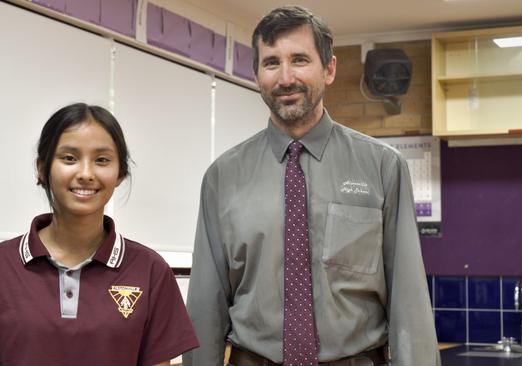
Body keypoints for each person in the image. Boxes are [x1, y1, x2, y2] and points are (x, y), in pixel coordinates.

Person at [183, 6, 439, 366]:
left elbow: (408, 299)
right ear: (256, 73)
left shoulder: (382, 167)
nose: (285, 77)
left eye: (300, 60)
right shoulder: (222, 177)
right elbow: (205, 306)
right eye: (271, 63)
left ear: (329, 68)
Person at [0, 103, 199, 365]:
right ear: (41, 168)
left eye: (102, 160)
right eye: (69, 158)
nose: (85, 173)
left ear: (120, 173)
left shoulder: (150, 270)